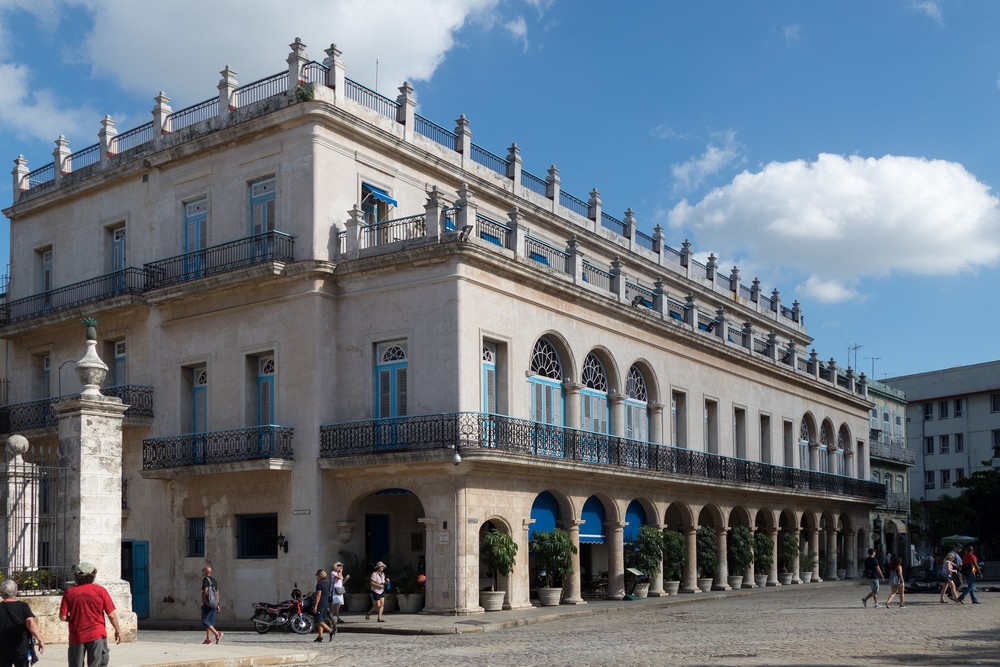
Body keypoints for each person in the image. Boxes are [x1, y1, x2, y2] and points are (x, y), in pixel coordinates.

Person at [59, 561, 122, 667]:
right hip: (97, 634)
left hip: (76, 636)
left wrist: (75, 618)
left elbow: (63, 617)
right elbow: (111, 615)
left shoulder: (69, 592)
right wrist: (118, 630)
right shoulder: (100, 591)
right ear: (93, 575)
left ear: (76, 576)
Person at [1, 579, 45, 667]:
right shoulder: (23, 606)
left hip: (2, 648)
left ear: (2, 592)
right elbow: (31, 624)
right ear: (15, 592)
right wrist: (40, 639)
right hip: (20, 647)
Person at [201, 566, 222, 644]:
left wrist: (203, 602)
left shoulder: (206, 579)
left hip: (208, 603)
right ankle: (208, 639)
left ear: (205, 572)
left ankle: (217, 634)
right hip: (214, 604)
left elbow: (205, 591)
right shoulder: (214, 580)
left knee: (205, 621)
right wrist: (218, 604)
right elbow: (217, 593)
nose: (202, 572)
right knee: (210, 622)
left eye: (203, 571)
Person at [312, 570, 334, 642]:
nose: (316, 577)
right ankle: (320, 637)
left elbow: (318, 595)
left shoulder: (319, 584)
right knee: (322, 620)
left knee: (319, 620)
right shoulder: (326, 583)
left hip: (321, 604)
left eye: (317, 575)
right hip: (326, 603)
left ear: (319, 576)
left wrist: (315, 606)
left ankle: (331, 631)